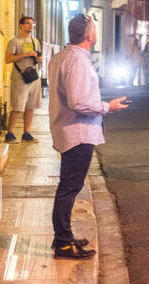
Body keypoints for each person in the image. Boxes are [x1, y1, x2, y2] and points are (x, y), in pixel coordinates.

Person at [48, 14, 128, 260]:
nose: (96, 31)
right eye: (94, 28)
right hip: (78, 132)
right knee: (69, 188)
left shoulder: (62, 57)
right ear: (89, 35)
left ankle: (65, 236)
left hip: (69, 129)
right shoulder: (78, 62)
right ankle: (62, 242)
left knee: (69, 187)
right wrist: (108, 107)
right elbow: (78, 101)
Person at [5, 15, 42, 142]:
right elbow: (8, 59)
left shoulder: (35, 41)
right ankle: (10, 133)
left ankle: (27, 132)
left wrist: (38, 59)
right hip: (20, 77)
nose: (30, 26)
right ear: (21, 25)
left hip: (34, 77)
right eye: (27, 23)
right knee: (17, 106)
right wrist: (25, 54)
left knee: (30, 106)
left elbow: (38, 58)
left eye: (32, 24)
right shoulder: (14, 41)